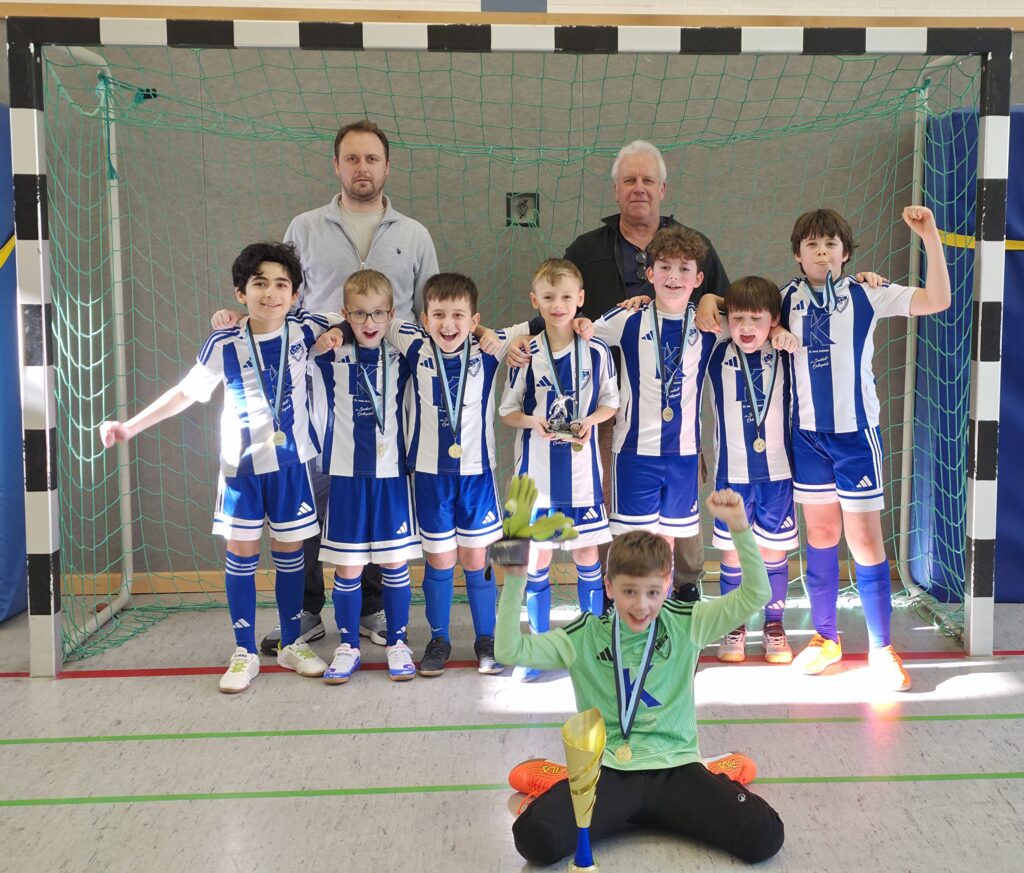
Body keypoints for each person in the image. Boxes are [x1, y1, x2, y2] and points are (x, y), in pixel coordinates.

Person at [216, 119, 439, 654]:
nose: (362, 168)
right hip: (314, 387)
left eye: (372, 159)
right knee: (314, 496)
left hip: (386, 387)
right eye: (352, 158)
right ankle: (307, 610)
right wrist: (240, 318)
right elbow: (281, 296)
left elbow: (429, 309)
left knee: (375, 489)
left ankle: (372, 609)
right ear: (336, 165)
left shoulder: (414, 234)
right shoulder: (305, 227)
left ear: (387, 166)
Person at [493, 479, 785, 865]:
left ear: (667, 585)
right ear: (609, 587)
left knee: (764, 837)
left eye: (652, 592)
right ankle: (568, 778)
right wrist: (515, 574)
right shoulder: (584, 636)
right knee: (535, 840)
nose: (641, 605)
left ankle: (711, 772)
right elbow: (508, 650)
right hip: (609, 772)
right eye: (629, 591)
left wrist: (739, 527)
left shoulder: (688, 623)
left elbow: (757, 594)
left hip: (676, 769)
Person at [99, 242, 338, 693]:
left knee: (291, 555)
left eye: (282, 284)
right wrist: (130, 426)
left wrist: (337, 335)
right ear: (240, 292)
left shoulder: (308, 327)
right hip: (240, 468)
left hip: (292, 466)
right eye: (260, 284)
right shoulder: (223, 341)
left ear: (295, 294)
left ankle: (292, 643)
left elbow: (354, 318)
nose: (271, 293)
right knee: (242, 554)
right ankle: (244, 651)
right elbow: (186, 392)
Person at [317, 272, 530, 677]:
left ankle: (486, 640)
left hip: (476, 476)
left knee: (477, 557)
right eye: (439, 315)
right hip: (429, 477)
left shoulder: (488, 348)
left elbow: (540, 322)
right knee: (440, 558)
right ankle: (439, 639)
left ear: (474, 319)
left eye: (459, 316)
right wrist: (339, 329)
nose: (448, 325)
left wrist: (488, 332)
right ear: (424, 319)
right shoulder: (413, 345)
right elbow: (366, 315)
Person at [778, 204, 951, 690]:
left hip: (856, 437)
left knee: (867, 541)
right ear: (797, 255)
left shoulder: (867, 293)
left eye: (831, 244)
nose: (822, 252)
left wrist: (930, 236)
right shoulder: (783, 298)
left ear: (847, 254)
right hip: (807, 438)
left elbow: (938, 299)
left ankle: (881, 648)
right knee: (821, 536)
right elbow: (737, 317)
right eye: (812, 244)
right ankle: (825, 638)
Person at [564, 140, 731, 598]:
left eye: (647, 181)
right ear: (616, 190)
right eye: (629, 181)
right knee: (614, 505)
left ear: (662, 189)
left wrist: (711, 299)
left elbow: (737, 306)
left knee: (679, 516)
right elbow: (564, 312)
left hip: (677, 408)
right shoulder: (586, 249)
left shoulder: (695, 246)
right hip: (608, 408)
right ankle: (617, 594)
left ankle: (684, 592)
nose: (639, 188)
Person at [498, 258, 619, 682]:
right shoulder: (525, 354)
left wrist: (591, 421)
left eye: (566, 296)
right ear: (535, 301)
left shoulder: (596, 350)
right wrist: (533, 422)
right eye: (548, 297)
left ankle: (590, 646)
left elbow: (611, 402)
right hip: (538, 478)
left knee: (587, 555)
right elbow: (507, 411)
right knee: (537, 557)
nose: (558, 304)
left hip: (582, 477)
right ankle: (536, 648)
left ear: (580, 299)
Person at [307, 269, 421, 684]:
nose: (369, 322)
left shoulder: (404, 356)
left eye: (377, 313)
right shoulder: (329, 354)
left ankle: (398, 643)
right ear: (345, 314)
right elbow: (292, 325)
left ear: (391, 314)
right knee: (348, 568)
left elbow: (444, 335)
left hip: (391, 478)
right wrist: (335, 329)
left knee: (394, 563)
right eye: (358, 314)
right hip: (346, 478)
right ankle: (347, 646)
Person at [589, 226, 717, 569]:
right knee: (633, 543)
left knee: (667, 544)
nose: (673, 276)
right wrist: (522, 338)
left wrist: (712, 300)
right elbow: (576, 330)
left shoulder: (709, 323)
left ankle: (661, 602)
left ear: (698, 278)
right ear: (650, 274)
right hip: (634, 452)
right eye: (665, 267)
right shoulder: (627, 318)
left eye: (684, 269)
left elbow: (758, 312)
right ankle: (624, 601)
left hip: (683, 454)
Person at [703, 276, 800, 663]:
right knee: (733, 555)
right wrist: (710, 299)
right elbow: (698, 313)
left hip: (778, 475)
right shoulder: (715, 350)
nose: (745, 327)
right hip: (732, 475)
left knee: (774, 552)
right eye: (737, 318)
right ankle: (734, 625)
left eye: (756, 319)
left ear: (773, 320)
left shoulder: (787, 351)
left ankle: (774, 625)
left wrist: (781, 333)